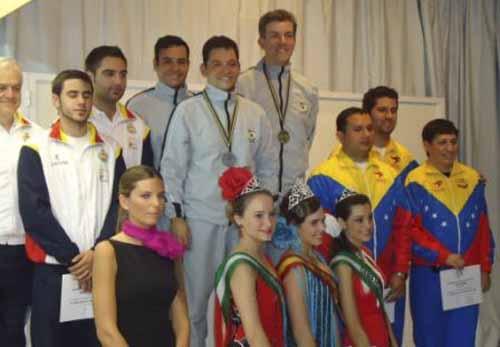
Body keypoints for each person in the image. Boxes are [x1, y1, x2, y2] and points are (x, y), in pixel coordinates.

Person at [161, 35, 276, 347]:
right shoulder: (188, 111)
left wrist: (262, 215)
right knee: (198, 302)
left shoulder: (255, 113)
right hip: (201, 219)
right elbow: (172, 168)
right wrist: (177, 216)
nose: (226, 70)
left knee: (244, 302)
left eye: (232, 64)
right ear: (203, 68)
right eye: (217, 64)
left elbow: (267, 167)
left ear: (239, 67)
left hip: (244, 227)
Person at [17, 69, 125, 347]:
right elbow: (34, 212)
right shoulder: (36, 148)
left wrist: (98, 254)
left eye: (86, 95)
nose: (81, 102)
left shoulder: (112, 150)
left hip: (100, 268)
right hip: (54, 270)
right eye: (72, 95)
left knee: (97, 340)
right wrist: (75, 259)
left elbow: (118, 207)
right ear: (56, 100)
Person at [307, 107, 411, 344]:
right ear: (340, 136)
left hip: (386, 275)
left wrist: (400, 271)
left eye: (369, 128)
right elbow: (317, 235)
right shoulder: (322, 175)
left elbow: (403, 228)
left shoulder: (392, 174)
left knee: (388, 335)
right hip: (344, 276)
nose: (366, 134)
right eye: (357, 129)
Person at [405, 119, 494, 347]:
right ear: (427, 145)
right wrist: (443, 256)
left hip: (466, 275)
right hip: (429, 276)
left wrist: (485, 267)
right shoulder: (415, 181)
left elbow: (483, 227)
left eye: (453, 142)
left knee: (462, 339)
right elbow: (410, 231)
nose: (449, 148)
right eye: (442, 142)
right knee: (429, 338)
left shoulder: (473, 179)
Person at [92, 165, 189, 347]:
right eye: (146, 196)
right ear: (124, 201)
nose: (156, 204)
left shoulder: (169, 249)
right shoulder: (107, 250)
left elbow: (182, 321)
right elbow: (106, 330)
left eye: (161, 196)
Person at [237, 9, 319, 194]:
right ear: (261, 41)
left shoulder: (308, 89)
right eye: (274, 35)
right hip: (255, 194)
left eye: (288, 35)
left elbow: (308, 138)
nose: (282, 42)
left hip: (294, 195)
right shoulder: (243, 85)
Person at [214, 167, 286, 347]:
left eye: (272, 214)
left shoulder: (260, 256)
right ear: (238, 219)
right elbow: (253, 333)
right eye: (258, 216)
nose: (268, 223)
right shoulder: (242, 267)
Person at [0, 57, 42, 346]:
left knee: (14, 327)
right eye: (2, 87)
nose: (10, 95)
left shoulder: (37, 135)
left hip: (21, 249)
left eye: (16, 87)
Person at [272, 180, 341, 346]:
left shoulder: (316, 257)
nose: (322, 229)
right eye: (314, 223)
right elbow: (301, 332)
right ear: (294, 226)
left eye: (322, 221)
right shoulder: (293, 267)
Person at [331, 192, 398, 347]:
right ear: (342, 223)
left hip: (380, 336)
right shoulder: (343, 265)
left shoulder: (365, 253)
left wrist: (393, 341)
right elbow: (352, 323)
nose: (368, 225)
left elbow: (380, 306)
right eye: (359, 220)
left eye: (369, 218)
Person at [127, 35, 192, 170]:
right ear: (155, 64)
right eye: (167, 61)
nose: (175, 68)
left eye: (181, 62)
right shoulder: (137, 106)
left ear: (188, 65)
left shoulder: (198, 105)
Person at [85, 45, 153, 168]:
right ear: (90, 77)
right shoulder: (78, 122)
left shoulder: (139, 125)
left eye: (123, 75)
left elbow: (145, 176)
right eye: (110, 74)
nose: (118, 81)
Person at [362, 86, 418, 181]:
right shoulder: (348, 152)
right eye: (382, 110)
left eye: (393, 111)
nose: (389, 116)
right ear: (367, 114)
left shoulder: (405, 157)